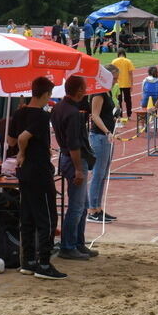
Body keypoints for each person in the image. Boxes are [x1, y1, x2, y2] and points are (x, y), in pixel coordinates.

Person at [8, 76, 66, 279]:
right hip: (38, 171)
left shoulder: (19, 112)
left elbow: (11, 139)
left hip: (24, 172)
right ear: (45, 94)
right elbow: (23, 138)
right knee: (48, 218)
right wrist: (24, 152)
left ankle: (28, 261)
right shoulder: (41, 116)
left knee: (28, 216)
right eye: (49, 95)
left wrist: (22, 150)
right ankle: (43, 264)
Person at [50, 75, 97, 261]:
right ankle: (68, 246)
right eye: (84, 87)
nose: (86, 90)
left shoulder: (59, 108)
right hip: (74, 160)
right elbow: (74, 144)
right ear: (79, 90)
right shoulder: (71, 113)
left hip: (67, 157)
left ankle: (77, 242)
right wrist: (78, 169)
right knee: (77, 206)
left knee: (82, 205)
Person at [87, 65, 119, 224]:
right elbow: (94, 115)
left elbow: (105, 114)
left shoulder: (108, 91)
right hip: (99, 137)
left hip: (107, 137)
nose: (117, 81)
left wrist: (114, 117)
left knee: (103, 174)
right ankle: (92, 209)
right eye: (114, 78)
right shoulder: (99, 92)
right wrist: (107, 131)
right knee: (97, 174)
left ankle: (98, 208)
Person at [113, 48, 135, 120]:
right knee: (128, 100)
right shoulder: (128, 61)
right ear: (124, 54)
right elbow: (131, 74)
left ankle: (120, 116)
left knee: (118, 101)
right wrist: (132, 84)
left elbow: (111, 73)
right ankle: (129, 115)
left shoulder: (114, 61)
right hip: (126, 84)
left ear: (118, 54)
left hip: (117, 84)